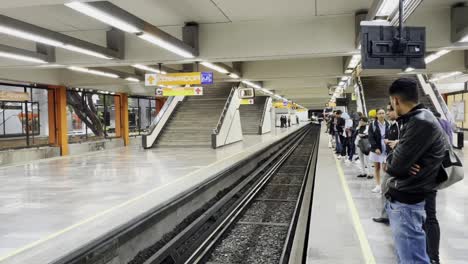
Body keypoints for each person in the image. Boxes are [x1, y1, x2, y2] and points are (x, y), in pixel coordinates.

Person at [384, 78, 447, 264]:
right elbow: (399, 163)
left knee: (413, 259)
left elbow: (394, 167)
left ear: (395, 100)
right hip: (407, 200)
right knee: (407, 257)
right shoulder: (418, 118)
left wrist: (397, 156)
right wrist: (399, 157)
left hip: (407, 203)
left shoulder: (420, 122)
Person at [373, 104, 399, 224]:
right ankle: (386, 215)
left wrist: (398, 142)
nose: (386, 114)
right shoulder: (393, 124)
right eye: (384, 112)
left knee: (389, 188)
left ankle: (390, 215)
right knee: (385, 187)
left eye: (389, 111)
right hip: (391, 159)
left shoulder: (400, 125)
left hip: (399, 163)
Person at [368, 108, 390, 193]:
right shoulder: (372, 124)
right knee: (377, 167)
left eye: (383, 113)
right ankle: (378, 185)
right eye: (379, 113)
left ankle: (384, 186)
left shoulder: (388, 124)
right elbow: (370, 137)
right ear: (376, 115)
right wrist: (375, 147)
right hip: (377, 147)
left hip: (386, 147)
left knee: (385, 168)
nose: (381, 115)